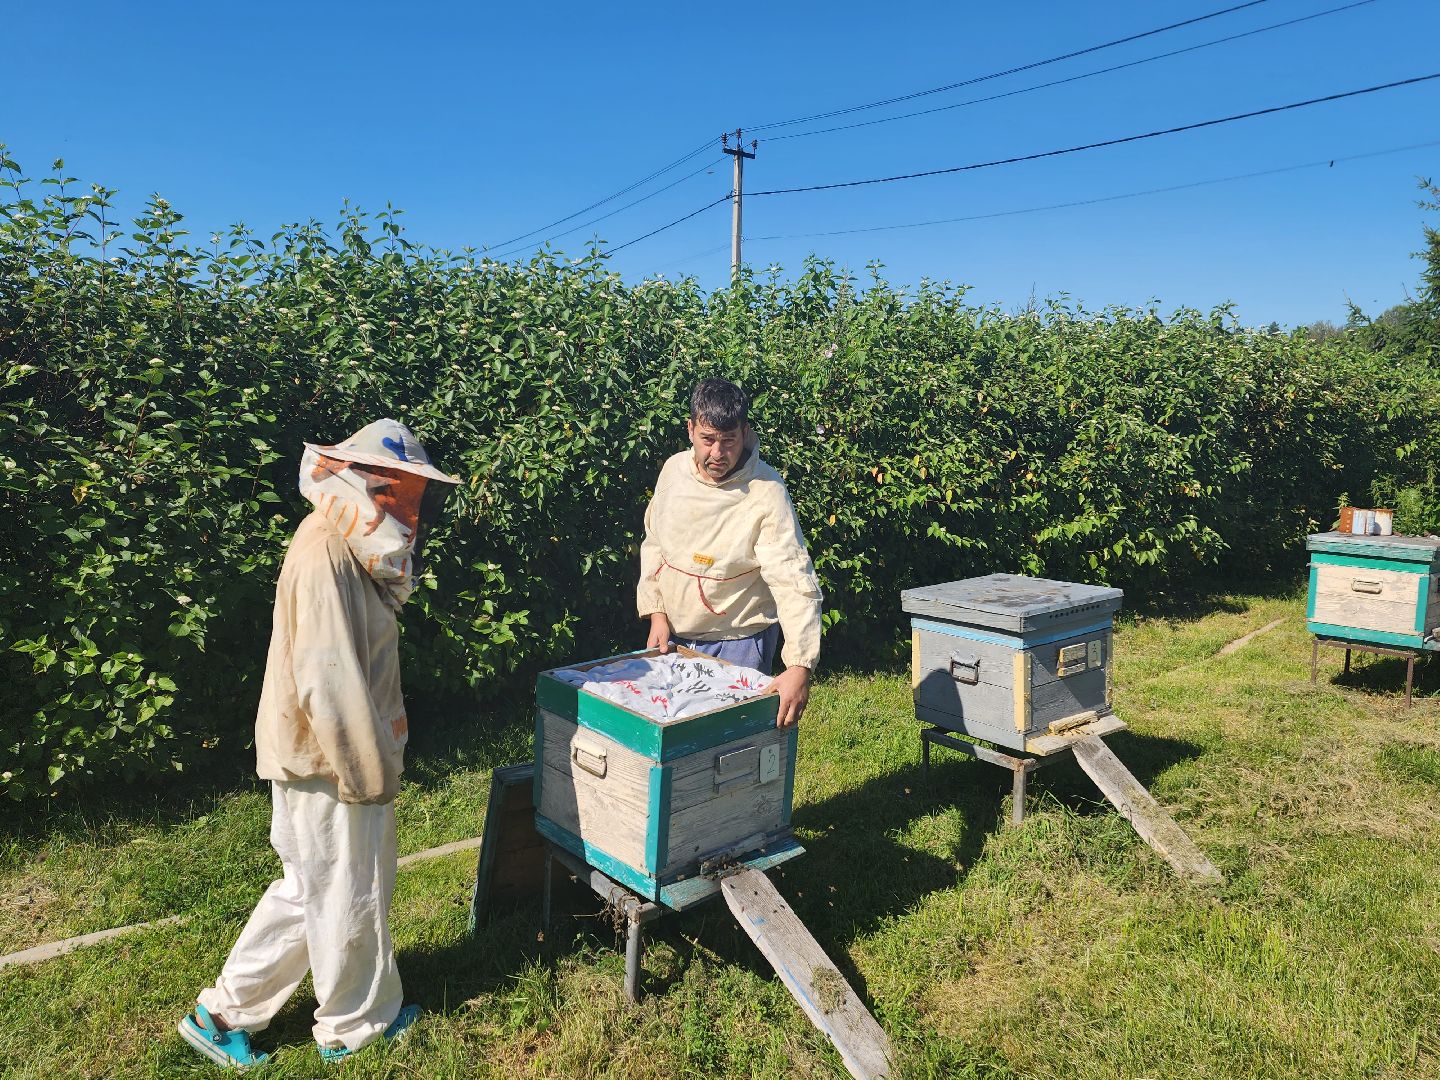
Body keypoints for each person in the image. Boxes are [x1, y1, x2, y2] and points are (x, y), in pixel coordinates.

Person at [177, 418, 460, 1068]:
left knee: (310, 890)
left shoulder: (346, 540)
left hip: (319, 757)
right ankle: (354, 1028)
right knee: (351, 893)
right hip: (331, 763)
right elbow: (329, 681)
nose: (416, 507)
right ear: (373, 482)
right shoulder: (327, 549)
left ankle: (219, 1013)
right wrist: (370, 774)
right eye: (408, 490)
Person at [638, 378, 822, 726]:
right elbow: (655, 545)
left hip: (739, 640)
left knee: (727, 750)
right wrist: (656, 613)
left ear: (744, 432)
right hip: (673, 640)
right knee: (679, 751)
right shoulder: (673, 472)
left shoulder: (767, 491)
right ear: (690, 429)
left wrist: (799, 665)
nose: (718, 454)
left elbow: (793, 579)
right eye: (708, 440)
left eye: (728, 441)